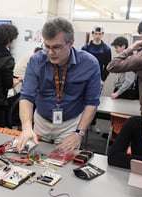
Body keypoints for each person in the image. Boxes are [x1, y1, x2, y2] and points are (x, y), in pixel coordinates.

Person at [16, 17, 101, 152]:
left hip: (70, 124)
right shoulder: (36, 61)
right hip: (41, 121)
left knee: (62, 164)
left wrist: (79, 133)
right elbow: (26, 96)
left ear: (71, 42)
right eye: (47, 46)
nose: (50, 52)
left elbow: (92, 102)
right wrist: (26, 128)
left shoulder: (89, 64)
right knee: (35, 160)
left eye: (56, 47)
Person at [81, 25, 112, 133]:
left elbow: (108, 66)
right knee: (82, 102)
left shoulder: (106, 49)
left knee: (94, 102)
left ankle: (93, 124)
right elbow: (82, 64)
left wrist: (103, 79)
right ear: (93, 34)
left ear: (102, 34)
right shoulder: (85, 48)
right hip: (85, 79)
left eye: (100, 34)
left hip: (98, 80)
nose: (97, 36)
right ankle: (81, 124)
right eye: (96, 33)